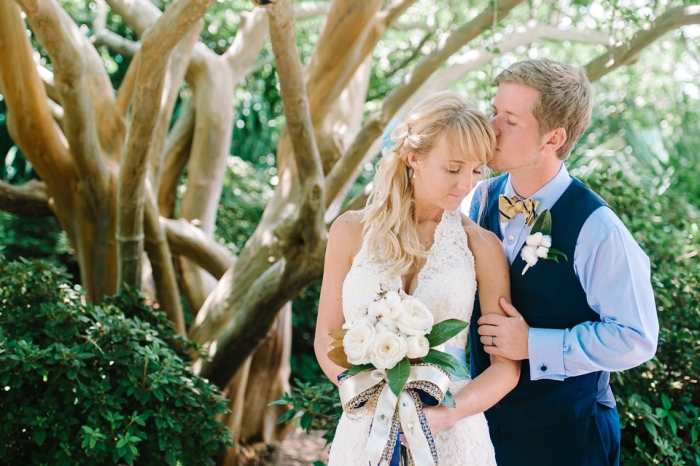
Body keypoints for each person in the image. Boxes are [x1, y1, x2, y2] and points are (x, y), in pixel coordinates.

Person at [467, 59, 659, 466]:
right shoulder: (477, 198)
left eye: (511, 121)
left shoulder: (598, 229)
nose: (491, 127)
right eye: (494, 111)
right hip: (482, 430)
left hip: (567, 437)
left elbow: (636, 337)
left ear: (553, 138)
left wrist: (533, 343)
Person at [314, 91, 520, 465]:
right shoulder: (348, 231)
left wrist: (447, 414)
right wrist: (369, 392)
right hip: (365, 427)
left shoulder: (483, 247)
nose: (466, 185)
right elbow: (327, 339)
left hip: (452, 430)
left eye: (477, 170)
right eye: (454, 168)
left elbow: (506, 368)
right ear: (414, 157)